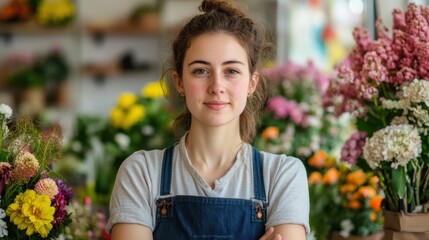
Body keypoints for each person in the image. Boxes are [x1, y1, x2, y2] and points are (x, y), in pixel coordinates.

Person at [106, 0, 309, 239]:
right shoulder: (141, 173)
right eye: (200, 71)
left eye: (231, 71)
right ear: (179, 81)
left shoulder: (282, 175)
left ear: (251, 83)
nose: (216, 86)